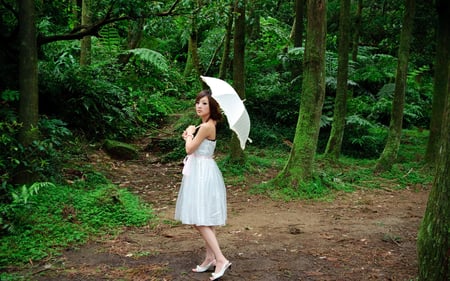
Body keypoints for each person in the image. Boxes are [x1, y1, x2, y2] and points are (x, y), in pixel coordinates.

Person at [174, 89, 232, 280]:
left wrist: (190, 134)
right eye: (198, 102)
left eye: (205, 103)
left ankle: (221, 259)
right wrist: (190, 135)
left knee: (199, 220)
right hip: (202, 169)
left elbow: (190, 149)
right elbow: (193, 147)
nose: (199, 106)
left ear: (213, 107)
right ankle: (210, 259)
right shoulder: (206, 124)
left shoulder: (206, 126)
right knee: (205, 218)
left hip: (202, 173)